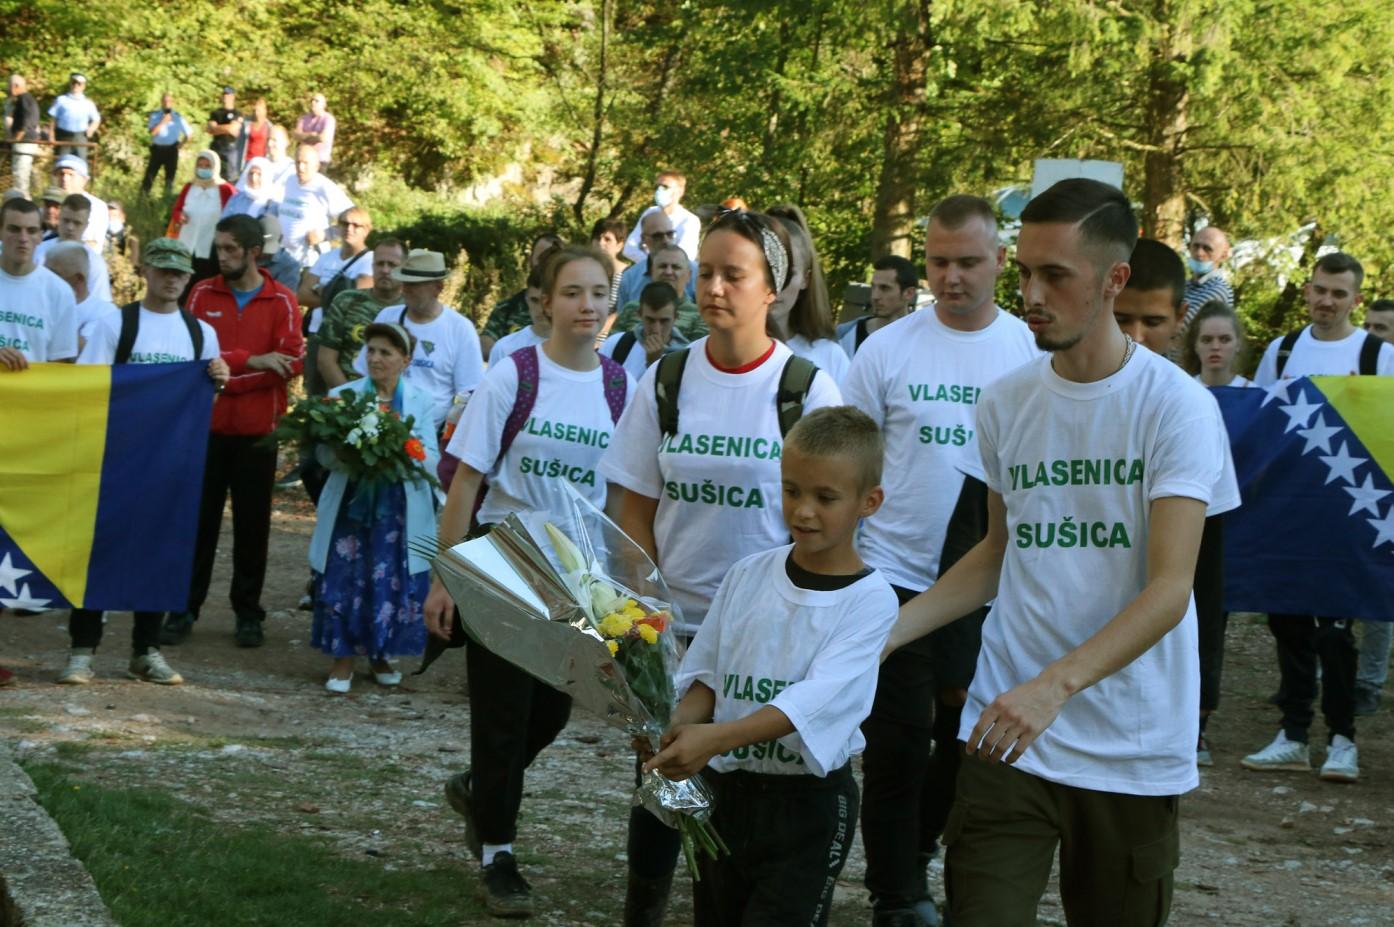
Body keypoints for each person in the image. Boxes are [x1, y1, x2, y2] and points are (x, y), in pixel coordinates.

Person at [883, 178, 1236, 925]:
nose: (1032, 295)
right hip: (1005, 735)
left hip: (1129, 746)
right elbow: (994, 552)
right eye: (1024, 274)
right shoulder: (1006, 400)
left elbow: (1171, 589)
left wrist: (1055, 687)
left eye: (1055, 276)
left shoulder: (1177, 408)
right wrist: (882, 635)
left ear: (1114, 280)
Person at [599, 209, 842, 924]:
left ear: (775, 287)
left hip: (771, 630)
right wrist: (651, 611)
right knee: (662, 780)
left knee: (749, 788)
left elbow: (831, 518)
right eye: (706, 272)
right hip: (675, 625)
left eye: (733, 275)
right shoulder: (667, 378)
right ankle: (642, 910)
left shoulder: (807, 388)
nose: (713, 288)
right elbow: (633, 500)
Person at [842, 194, 1039, 927]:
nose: (951, 277)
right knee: (893, 744)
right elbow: (845, 460)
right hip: (890, 573)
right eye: (937, 262)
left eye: (968, 262)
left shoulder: (1027, 351)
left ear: (1000, 262)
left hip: (989, 580)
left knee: (963, 738)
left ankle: (920, 851)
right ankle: (896, 895)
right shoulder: (887, 350)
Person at [422, 244, 634, 917]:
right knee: (503, 714)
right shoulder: (512, 375)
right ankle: (498, 856)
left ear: (612, 303)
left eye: (598, 292)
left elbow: (623, 496)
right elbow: (467, 484)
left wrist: (624, 588)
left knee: (553, 710)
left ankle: (481, 787)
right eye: (572, 292)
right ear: (543, 301)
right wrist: (446, 578)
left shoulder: (620, 386)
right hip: (505, 565)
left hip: (577, 581)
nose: (587, 305)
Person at [646, 405, 895, 926]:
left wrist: (714, 739)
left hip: (808, 806)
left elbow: (810, 703)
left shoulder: (871, 600)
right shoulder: (746, 574)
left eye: (825, 498)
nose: (803, 511)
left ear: (868, 502)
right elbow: (707, 678)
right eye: (791, 490)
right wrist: (674, 728)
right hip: (726, 794)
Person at [1244, 252, 1394, 782]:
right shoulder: (1282, 350)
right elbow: (1261, 425)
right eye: (1319, 290)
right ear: (1307, 290)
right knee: (1287, 622)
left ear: (1356, 298)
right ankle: (1292, 732)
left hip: (1351, 516)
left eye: (1339, 293)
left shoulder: (1378, 354)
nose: (1327, 301)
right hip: (1289, 512)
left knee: (1335, 630)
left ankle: (1342, 738)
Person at [60, 238, 230, 686]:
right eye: (163, 270)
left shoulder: (201, 334)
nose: (171, 279)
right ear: (146, 272)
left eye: (180, 272)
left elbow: (202, 404)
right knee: (98, 551)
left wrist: (218, 381)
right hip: (114, 460)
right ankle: (82, 651)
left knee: (162, 551)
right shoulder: (116, 325)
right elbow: (88, 388)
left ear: (189, 278)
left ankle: (146, 650)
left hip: (171, 464)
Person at [1118, 239, 1242, 769]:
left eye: (1152, 321)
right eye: (1123, 319)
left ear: (1180, 318)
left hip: (1151, 672)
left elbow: (1206, 573)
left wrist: (1203, 691)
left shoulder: (1194, 411)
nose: (1137, 338)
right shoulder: (1038, 396)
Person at [163, 214, 304, 648]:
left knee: (253, 527)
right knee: (198, 524)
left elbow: (290, 362)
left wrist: (226, 373)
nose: (219, 256)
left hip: (259, 432)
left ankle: (248, 613)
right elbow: (189, 354)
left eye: (229, 249)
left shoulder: (282, 300)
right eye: (218, 248)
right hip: (204, 431)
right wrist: (252, 360)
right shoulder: (202, 292)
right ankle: (184, 609)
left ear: (252, 253)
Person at [311, 322, 437, 693]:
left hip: (397, 507)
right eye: (371, 351)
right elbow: (321, 453)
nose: (376, 358)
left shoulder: (420, 400)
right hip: (352, 502)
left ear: (405, 360)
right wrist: (347, 452)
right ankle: (343, 659)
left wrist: (402, 447)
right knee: (347, 575)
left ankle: (381, 652)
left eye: (386, 352)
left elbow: (432, 457)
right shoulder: (343, 395)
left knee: (390, 576)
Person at [354, 249, 484, 430]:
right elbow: (363, 372)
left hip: (429, 434)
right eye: (405, 281)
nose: (406, 288)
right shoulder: (387, 317)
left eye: (415, 284)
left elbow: (469, 396)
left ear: (439, 288)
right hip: (377, 427)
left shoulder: (460, 329)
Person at [767, 204, 850, 385]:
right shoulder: (711, 351)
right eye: (769, 271)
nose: (777, 285)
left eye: (789, 273)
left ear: (806, 279)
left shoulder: (829, 357)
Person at [0, 197, 78, 369]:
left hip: (29, 395)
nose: (23, 238)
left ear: (40, 236)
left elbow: (60, 365)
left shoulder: (59, 293)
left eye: (31, 230)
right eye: (14, 229)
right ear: (1, 231)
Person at [318, 238, 407, 387]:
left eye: (392, 265)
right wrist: (348, 399)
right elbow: (326, 359)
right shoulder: (346, 301)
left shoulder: (411, 309)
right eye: (380, 264)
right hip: (347, 392)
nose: (385, 270)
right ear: (372, 266)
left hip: (396, 400)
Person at [478, 232, 564, 359]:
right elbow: (487, 344)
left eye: (552, 257)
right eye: (541, 257)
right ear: (531, 259)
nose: (541, 308)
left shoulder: (578, 326)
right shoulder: (508, 308)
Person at [610, 242, 705, 342]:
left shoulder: (699, 316)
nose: (668, 272)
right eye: (663, 266)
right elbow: (610, 350)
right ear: (652, 272)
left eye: (675, 267)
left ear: (688, 275)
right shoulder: (631, 308)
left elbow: (694, 354)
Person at [276, 145, 353, 267]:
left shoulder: (324, 188)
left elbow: (353, 218)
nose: (301, 168)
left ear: (316, 166)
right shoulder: (289, 181)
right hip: (282, 257)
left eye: (305, 163)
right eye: (298, 162)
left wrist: (325, 234)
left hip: (309, 262)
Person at [167, 150, 236, 285]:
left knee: (204, 281)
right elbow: (177, 209)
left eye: (207, 166)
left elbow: (233, 215)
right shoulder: (189, 186)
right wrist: (179, 216)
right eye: (200, 166)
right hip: (187, 243)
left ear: (215, 167)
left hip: (210, 246)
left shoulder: (225, 189)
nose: (203, 169)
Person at [35, 194, 112, 304]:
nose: (70, 227)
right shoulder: (39, 251)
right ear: (59, 218)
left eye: (77, 223)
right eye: (66, 221)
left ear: (86, 225)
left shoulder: (94, 263)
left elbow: (102, 304)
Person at [838, 255, 917, 359]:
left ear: (909, 293)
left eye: (884, 288)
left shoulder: (924, 338)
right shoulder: (844, 335)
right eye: (873, 287)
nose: (875, 296)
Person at [615, 211, 697, 310]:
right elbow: (623, 320)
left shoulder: (696, 272)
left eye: (670, 234)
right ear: (643, 239)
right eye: (657, 236)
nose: (666, 240)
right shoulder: (630, 279)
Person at [599, 281, 680, 381]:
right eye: (650, 320)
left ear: (675, 317)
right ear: (639, 314)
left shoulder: (683, 358)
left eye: (664, 321)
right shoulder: (617, 344)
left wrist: (654, 364)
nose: (656, 330)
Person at [43, 240, 116, 346]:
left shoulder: (105, 313)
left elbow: (84, 353)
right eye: (44, 272)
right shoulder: (38, 302)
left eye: (53, 275)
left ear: (78, 280)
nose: (45, 279)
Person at [622, 169, 700, 263]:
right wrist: (652, 265)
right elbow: (629, 248)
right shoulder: (650, 213)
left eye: (665, 187)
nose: (659, 190)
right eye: (657, 187)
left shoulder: (689, 220)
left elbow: (685, 257)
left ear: (679, 192)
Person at [485, 265, 548, 366]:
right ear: (526, 299)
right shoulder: (505, 348)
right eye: (534, 300)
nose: (540, 309)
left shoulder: (578, 347)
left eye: (547, 301)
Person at [1185, 300, 1256, 387]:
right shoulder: (1181, 393)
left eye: (1225, 340)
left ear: (1238, 344)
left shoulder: (1256, 395)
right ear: (1195, 345)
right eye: (1207, 340)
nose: (1215, 347)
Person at [141, 92, 193, 197]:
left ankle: (166, 202)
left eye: (169, 101)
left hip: (171, 150)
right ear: (161, 102)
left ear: (172, 102)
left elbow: (189, 133)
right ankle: (142, 200)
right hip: (157, 150)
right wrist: (163, 122)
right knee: (149, 176)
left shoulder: (177, 117)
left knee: (169, 179)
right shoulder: (155, 115)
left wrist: (182, 144)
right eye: (164, 101)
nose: (166, 103)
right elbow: (152, 133)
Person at [52, 155, 108, 248]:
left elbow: (92, 244)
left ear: (84, 180)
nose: (65, 179)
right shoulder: (51, 203)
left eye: (71, 175)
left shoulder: (97, 207)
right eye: (61, 174)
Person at [48, 73, 99, 159]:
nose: (76, 85)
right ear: (70, 84)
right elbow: (53, 119)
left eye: (79, 84)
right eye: (74, 82)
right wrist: (51, 136)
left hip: (80, 137)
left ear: (83, 86)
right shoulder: (61, 100)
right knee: (61, 162)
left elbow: (96, 119)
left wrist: (91, 129)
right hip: (63, 136)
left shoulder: (88, 103)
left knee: (80, 162)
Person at [6, 74, 41, 196]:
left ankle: (22, 201)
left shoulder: (24, 99)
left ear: (16, 86)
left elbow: (26, 120)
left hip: (25, 142)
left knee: (21, 173)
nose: (7, 89)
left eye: (8, 86)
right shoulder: (25, 99)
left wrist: (17, 138)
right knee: (20, 173)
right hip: (25, 141)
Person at [591, 216, 630, 316]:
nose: (601, 243)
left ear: (619, 245)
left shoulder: (628, 275)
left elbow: (624, 311)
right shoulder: (583, 272)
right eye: (597, 238)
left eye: (607, 239)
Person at [255, 214, 302, 291]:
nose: (263, 253)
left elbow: (286, 299)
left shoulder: (289, 266)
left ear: (280, 239)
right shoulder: (242, 254)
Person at [206, 86, 243, 181]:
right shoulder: (216, 113)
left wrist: (217, 128)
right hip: (216, 147)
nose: (226, 97)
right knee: (213, 175)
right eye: (224, 95)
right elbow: (210, 129)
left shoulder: (237, 113)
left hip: (230, 148)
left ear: (233, 97)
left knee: (230, 177)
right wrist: (227, 128)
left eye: (228, 95)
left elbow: (233, 129)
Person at [293, 93, 337, 165]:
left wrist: (304, 137)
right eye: (312, 100)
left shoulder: (329, 119)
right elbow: (296, 135)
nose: (313, 102)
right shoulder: (304, 118)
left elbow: (322, 138)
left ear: (324, 105)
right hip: (303, 159)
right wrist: (312, 135)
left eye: (316, 101)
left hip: (320, 160)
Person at [237, 97, 273, 166]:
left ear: (264, 111)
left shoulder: (269, 126)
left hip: (263, 160)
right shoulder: (246, 123)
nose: (256, 113)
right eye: (255, 110)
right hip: (247, 160)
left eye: (259, 111)